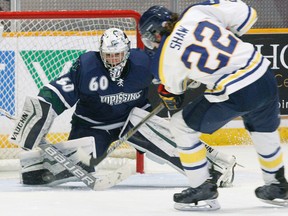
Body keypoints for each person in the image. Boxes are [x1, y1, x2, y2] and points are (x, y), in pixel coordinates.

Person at [9, 27, 235, 188]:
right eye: (109, 55)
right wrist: (39, 114)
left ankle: (216, 165)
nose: (114, 59)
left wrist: (189, 79)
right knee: (52, 169)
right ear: (101, 52)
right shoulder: (87, 66)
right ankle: (36, 166)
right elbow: (56, 92)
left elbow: (173, 71)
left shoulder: (143, 63)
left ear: (126, 52)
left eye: (117, 54)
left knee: (157, 137)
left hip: (133, 121)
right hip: (92, 126)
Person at [139, 0, 288, 211]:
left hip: (238, 90)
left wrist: (172, 90)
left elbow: (174, 91)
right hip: (263, 75)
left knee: (181, 126)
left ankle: (201, 187)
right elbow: (248, 14)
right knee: (263, 130)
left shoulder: (163, 59)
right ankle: (278, 186)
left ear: (155, 32)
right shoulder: (196, 11)